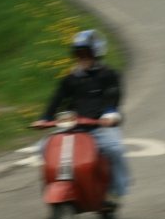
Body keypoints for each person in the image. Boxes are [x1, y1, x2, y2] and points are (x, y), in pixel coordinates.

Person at [31, 29, 130, 208]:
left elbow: (113, 98)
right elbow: (57, 98)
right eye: (79, 54)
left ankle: (117, 190)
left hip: (100, 126)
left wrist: (109, 115)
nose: (82, 58)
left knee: (115, 149)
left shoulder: (109, 75)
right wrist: (45, 118)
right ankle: (59, 184)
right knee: (42, 148)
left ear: (97, 53)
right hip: (73, 126)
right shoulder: (72, 77)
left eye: (86, 53)